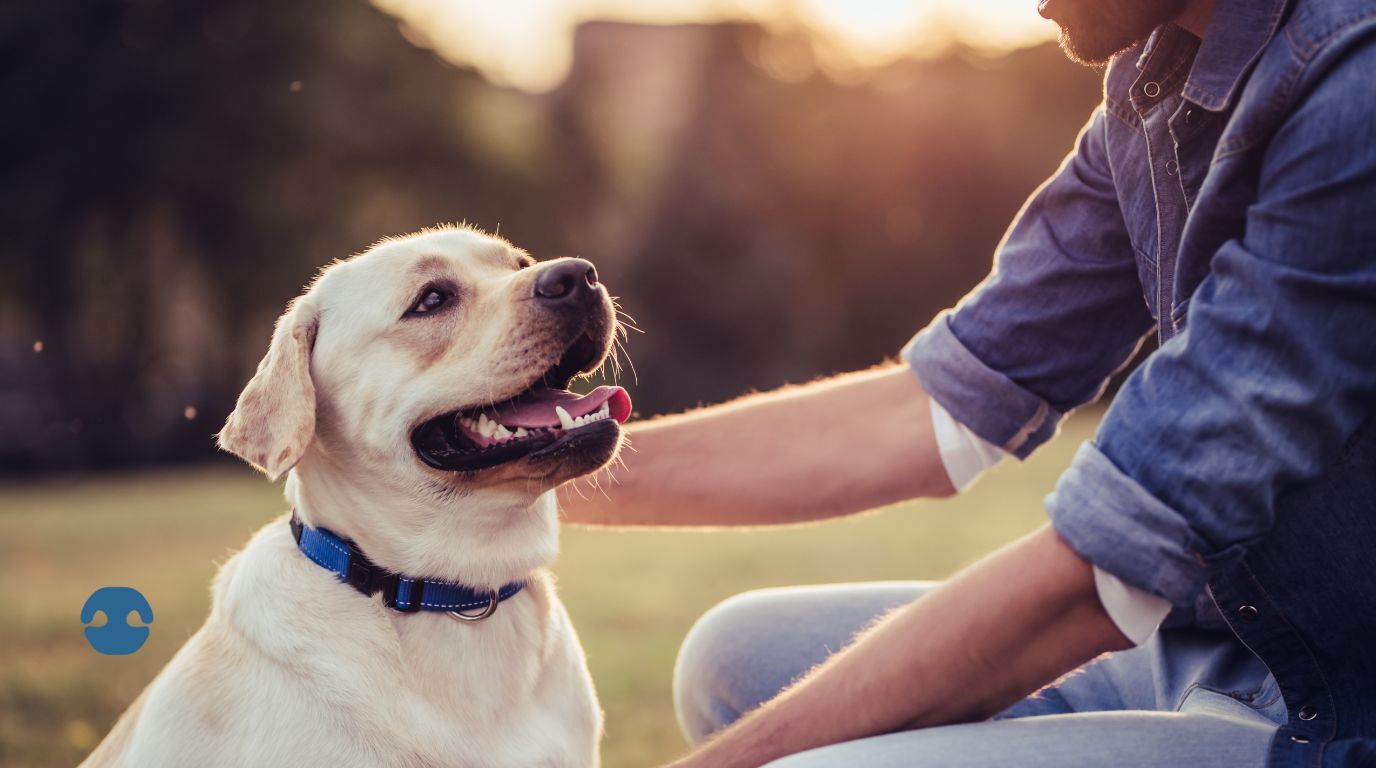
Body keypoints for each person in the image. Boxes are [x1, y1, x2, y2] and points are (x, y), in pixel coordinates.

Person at [559, 0, 1376, 765]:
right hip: (1214, 643)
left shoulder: (1355, 81)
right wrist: (538, 473)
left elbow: (1103, 573)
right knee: (732, 657)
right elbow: (943, 404)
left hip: (1337, 702)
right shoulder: (1153, 80)